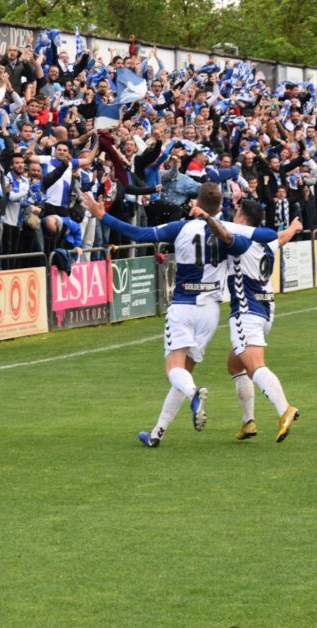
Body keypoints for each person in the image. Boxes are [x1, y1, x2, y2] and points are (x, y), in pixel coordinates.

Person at [82, 184, 278, 447]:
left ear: (195, 202)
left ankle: (194, 393)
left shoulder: (180, 227)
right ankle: (156, 433)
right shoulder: (228, 229)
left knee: (174, 370)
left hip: (184, 304)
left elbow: (139, 234)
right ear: (220, 208)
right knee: (184, 370)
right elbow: (267, 234)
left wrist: (102, 215)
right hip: (210, 311)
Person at [207, 200, 303, 443]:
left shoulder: (240, 241)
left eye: (236, 213)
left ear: (240, 219)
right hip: (266, 310)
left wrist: (205, 217)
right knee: (235, 365)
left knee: (255, 366)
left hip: (246, 311)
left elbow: (222, 233)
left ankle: (284, 410)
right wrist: (294, 227)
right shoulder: (266, 241)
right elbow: (282, 237)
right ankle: (248, 421)